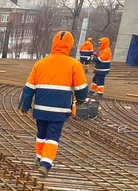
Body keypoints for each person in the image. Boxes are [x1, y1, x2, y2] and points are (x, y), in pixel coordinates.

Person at [18, 31, 88, 178]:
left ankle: (39, 157)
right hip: (60, 109)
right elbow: (81, 88)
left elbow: (29, 87)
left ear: (53, 45)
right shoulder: (74, 65)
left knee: (41, 133)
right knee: (53, 136)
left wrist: (24, 105)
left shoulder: (41, 63)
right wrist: (80, 100)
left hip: (41, 108)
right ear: (70, 46)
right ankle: (46, 163)